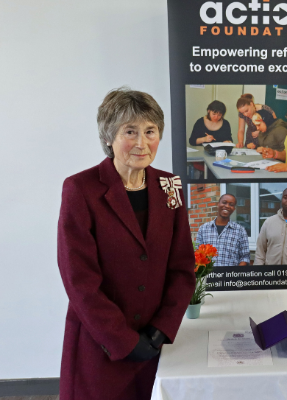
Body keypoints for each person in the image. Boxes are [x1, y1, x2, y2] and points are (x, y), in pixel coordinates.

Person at [57, 88, 196, 400]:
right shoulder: (80, 189)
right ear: (109, 137)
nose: (141, 143)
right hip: (102, 345)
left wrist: (163, 328)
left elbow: (183, 267)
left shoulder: (169, 185)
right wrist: (122, 339)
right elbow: (79, 280)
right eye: (129, 131)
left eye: (150, 131)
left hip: (155, 344)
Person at [195, 194, 250, 266]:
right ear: (218, 204)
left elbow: (245, 257)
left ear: (234, 208)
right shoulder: (203, 229)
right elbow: (197, 254)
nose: (227, 206)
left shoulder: (240, 231)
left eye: (231, 204)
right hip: (209, 276)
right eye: (224, 202)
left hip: (230, 276)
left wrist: (235, 275)